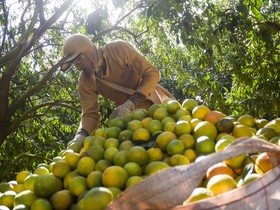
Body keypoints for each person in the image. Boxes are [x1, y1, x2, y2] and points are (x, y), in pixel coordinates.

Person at [60, 34, 174, 146]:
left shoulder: (118, 49)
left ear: (88, 51)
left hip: (155, 105)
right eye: (74, 63)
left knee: (169, 139)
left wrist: (131, 102)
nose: (78, 66)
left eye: (79, 59)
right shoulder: (85, 81)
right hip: (130, 120)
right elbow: (90, 114)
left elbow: (152, 73)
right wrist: (81, 135)